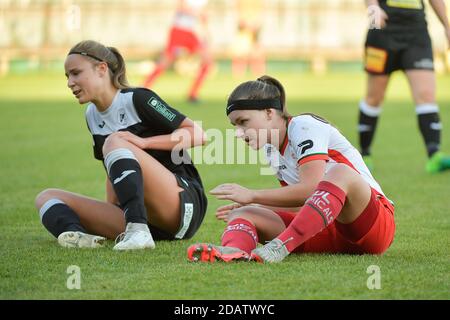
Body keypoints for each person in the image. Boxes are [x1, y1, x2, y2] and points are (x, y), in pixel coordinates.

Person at [187, 75, 395, 263]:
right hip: (326, 232)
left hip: (371, 228)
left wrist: (252, 195)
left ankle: (281, 247)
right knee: (244, 212)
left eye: (244, 122)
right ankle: (235, 252)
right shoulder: (271, 150)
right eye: (235, 126)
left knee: (340, 172)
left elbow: (311, 188)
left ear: (269, 112)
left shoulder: (303, 126)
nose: (239, 133)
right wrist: (258, 207)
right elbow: (305, 205)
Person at [35, 40, 208, 250]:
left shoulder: (138, 98)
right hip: (147, 217)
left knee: (115, 140)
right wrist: (110, 213)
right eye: (67, 76)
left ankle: (138, 231)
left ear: (101, 69)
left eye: (76, 73)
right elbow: (112, 171)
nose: (70, 82)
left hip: (183, 206)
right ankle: (79, 236)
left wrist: (144, 143)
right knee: (46, 197)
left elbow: (198, 134)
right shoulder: (91, 115)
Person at [359, 0, 450, 173]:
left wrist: (447, 25)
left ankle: (434, 155)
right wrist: (372, 9)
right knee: (374, 97)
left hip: (416, 32)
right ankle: (364, 155)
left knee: (426, 94)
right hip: (381, 30)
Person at [142, 0, 212, 103]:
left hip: (190, 33)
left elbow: (204, 16)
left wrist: (206, 30)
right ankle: (143, 89)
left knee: (207, 62)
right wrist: (197, 13)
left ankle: (192, 94)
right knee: (164, 62)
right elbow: (181, 7)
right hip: (178, 31)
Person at [230, 0, 266, 77]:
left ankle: (259, 75)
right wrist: (243, 23)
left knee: (257, 53)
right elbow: (237, 9)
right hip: (243, 28)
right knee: (240, 54)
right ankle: (238, 74)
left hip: (255, 27)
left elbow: (262, 9)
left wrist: (257, 23)